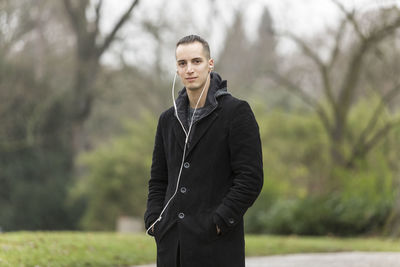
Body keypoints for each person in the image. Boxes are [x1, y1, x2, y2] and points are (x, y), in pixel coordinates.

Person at [144, 34, 263, 267]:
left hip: (216, 246)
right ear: (177, 69)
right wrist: (154, 220)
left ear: (210, 64)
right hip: (172, 247)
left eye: (196, 61)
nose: (189, 69)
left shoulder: (237, 112)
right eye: (182, 63)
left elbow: (250, 178)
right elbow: (159, 179)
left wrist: (219, 221)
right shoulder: (168, 119)